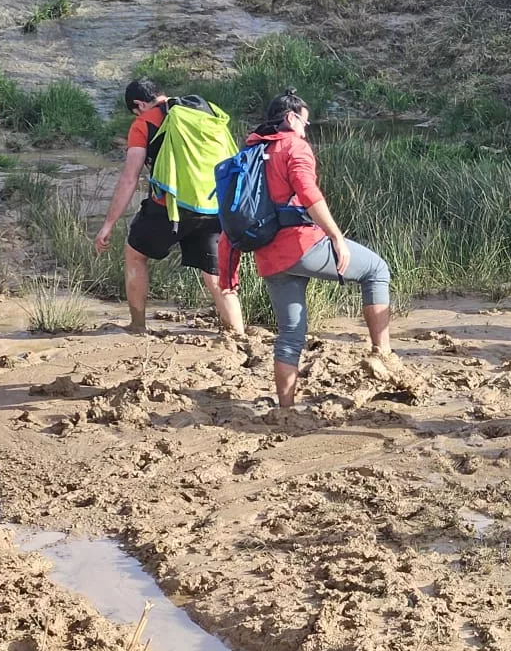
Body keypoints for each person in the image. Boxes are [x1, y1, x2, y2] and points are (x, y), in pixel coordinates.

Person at [218, 92, 398, 409]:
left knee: (290, 334)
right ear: (290, 118)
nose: (307, 127)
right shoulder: (294, 146)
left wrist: (228, 275)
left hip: (268, 257)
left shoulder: (251, 151)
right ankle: (381, 354)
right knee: (376, 270)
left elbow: (230, 217)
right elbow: (308, 191)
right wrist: (336, 236)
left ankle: (286, 407)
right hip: (302, 245)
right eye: (305, 120)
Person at [93, 79, 244, 338]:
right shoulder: (203, 111)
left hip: (170, 207)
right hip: (212, 205)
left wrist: (108, 225)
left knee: (135, 254)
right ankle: (238, 332)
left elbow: (130, 177)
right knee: (216, 274)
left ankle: (138, 325)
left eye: (135, 110)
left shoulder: (144, 122)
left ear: (139, 105)